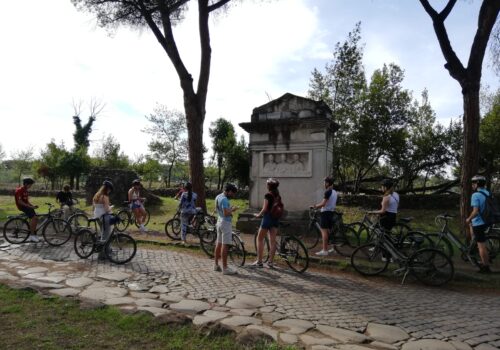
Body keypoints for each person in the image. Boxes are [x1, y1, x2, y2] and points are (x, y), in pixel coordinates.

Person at [251, 178, 281, 268]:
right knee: (273, 241)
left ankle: (259, 261)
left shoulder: (268, 195)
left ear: (269, 186)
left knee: (260, 239)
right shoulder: (277, 195)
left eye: (267, 184)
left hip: (267, 218)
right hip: (275, 219)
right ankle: (270, 262)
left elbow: (264, 208)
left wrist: (258, 215)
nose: (266, 185)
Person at [466, 175, 491, 273]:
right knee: (477, 240)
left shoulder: (475, 195)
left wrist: (468, 219)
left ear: (477, 184)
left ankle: (486, 267)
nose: (472, 185)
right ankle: (480, 257)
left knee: (481, 246)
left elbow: (475, 211)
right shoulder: (487, 193)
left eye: (473, 183)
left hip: (479, 222)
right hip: (487, 221)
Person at [213, 183, 239, 275]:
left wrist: (229, 209)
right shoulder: (224, 200)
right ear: (229, 191)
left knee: (218, 244)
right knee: (225, 245)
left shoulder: (218, 197)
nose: (233, 195)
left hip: (219, 221)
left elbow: (218, 210)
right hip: (225, 223)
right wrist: (233, 209)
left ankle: (216, 265)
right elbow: (225, 213)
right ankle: (225, 268)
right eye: (233, 193)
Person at [311, 176, 338, 256]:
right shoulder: (335, 192)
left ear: (327, 183)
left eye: (324, 183)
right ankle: (333, 248)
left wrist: (314, 206)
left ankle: (324, 250)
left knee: (324, 232)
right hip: (331, 213)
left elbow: (323, 204)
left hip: (325, 213)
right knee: (330, 232)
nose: (324, 184)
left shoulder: (328, 192)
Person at [92, 180, 115, 260]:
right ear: (107, 189)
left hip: (97, 217)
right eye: (110, 189)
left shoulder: (96, 195)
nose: (110, 191)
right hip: (104, 217)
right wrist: (111, 207)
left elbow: (94, 206)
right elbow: (106, 209)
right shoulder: (105, 197)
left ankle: (108, 250)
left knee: (103, 233)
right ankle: (101, 255)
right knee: (105, 236)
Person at [15, 177, 39, 243]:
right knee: (35, 218)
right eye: (30, 184)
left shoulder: (25, 190)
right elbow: (19, 201)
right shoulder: (19, 190)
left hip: (26, 206)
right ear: (25, 184)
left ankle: (34, 234)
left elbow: (26, 201)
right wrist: (29, 206)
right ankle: (31, 236)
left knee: (36, 218)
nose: (31, 186)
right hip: (22, 207)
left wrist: (32, 206)